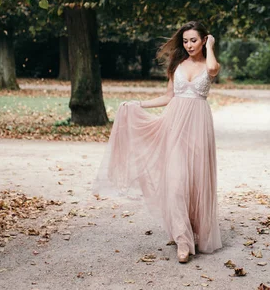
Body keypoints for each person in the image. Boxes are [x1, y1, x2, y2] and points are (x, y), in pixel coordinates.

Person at [93, 21, 222, 263]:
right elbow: (168, 96)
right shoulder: (177, 65)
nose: (188, 45)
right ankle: (183, 241)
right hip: (174, 126)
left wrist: (211, 46)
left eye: (194, 40)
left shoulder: (209, 62)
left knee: (195, 183)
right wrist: (139, 104)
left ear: (204, 40)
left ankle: (193, 230)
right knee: (175, 182)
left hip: (199, 127)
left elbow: (213, 69)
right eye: (185, 41)